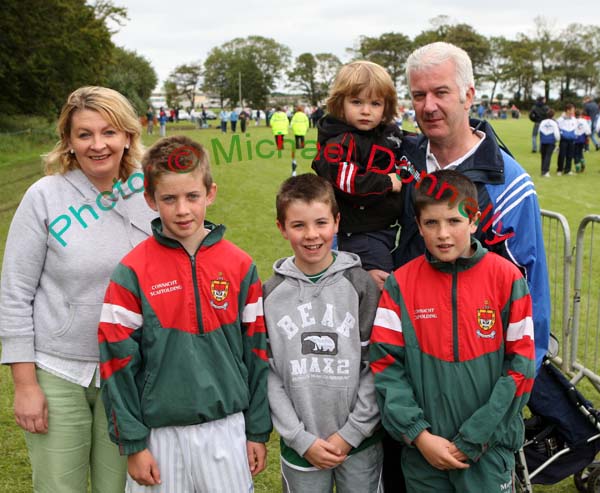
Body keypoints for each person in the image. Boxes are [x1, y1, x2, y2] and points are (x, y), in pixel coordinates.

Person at [393, 41, 550, 491]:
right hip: (415, 374)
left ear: (469, 94)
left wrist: (519, 382)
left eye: (441, 92)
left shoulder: (511, 184)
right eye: (419, 95)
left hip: (482, 385)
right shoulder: (404, 164)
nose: (428, 106)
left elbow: (531, 291)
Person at [0, 86, 157, 492]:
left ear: (128, 136)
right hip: (57, 371)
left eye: (109, 132)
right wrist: (25, 385)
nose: (98, 144)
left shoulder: (152, 194)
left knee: (120, 488)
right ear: (68, 141)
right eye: (84, 134)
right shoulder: (45, 197)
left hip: (128, 374)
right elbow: (15, 291)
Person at [99, 135, 272, 492]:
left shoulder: (239, 266)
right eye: (169, 199)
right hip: (159, 435)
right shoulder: (132, 272)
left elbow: (257, 354)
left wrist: (256, 429)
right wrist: (132, 443)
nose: (182, 210)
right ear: (150, 199)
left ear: (210, 192)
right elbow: (116, 364)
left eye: (192, 196)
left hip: (226, 428)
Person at [370, 169, 535, 493]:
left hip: (488, 449)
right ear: (418, 226)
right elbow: (386, 367)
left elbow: (521, 367)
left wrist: (477, 435)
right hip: (424, 455)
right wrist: (419, 434)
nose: (443, 234)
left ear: (473, 221)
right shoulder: (400, 284)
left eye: (454, 221)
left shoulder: (507, 279)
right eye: (431, 223)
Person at [264, 173, 383, 493]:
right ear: (281, 227)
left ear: (336, 221)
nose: (312, 235)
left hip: (359, 443)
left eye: (321, 223)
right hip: (301, 445)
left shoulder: (361, 286)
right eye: (298, 225)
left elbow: (377, 365)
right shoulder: (271, 294)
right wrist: (299, 438)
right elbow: (268, 373)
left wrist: (352, 433)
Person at [311, 60, 404, 291]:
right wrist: (386, 182)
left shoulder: (380, 134)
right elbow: (344, 177)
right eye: (357, 102)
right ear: (340, 104)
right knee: (380, 295)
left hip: (384, 231)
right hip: (361, 236)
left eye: (375, 103)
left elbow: (400, 141)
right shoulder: (341, 141)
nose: (366, 110)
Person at [557, 103, 577, 175]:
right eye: (572, 110)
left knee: (570, 155)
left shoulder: (574, 119)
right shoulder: (560, 119)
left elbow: (575, 128)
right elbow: (558, 127)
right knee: (562, 155)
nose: (573, 112)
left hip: (571, 139)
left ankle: (568, 170)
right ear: (568, 110)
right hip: (563, 140)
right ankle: (560, 169)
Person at [539, 109, 560, 177]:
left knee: (543, 156)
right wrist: (557, 140)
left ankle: (542, 170)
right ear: (553, 115)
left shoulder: (542, 122)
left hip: (543, 141)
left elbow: (539, 130)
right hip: (550, 141)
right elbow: (556, 133)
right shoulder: (554, 123)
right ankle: (546, 171)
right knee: (548, 156)